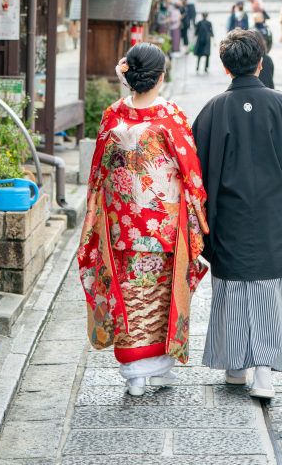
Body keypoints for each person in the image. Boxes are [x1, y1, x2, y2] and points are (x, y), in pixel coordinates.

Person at [78, 43, 208, 396]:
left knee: (130, 294)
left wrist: (98, 214)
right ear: (161, 77)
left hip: (122, 226)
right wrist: (198, 214)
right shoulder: (171, 116)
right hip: (163, 227)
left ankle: (135, 372)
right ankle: (160, 365)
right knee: (163, 296)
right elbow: (192, 172)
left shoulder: (112, 115)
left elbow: (97, 174)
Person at [192, 29, 282, 399]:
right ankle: (264, 375)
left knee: (232, 286)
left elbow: (196, 167)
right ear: (261, 63)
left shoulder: (212, 109)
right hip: (274, 210)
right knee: (270, 289)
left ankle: (235, 367)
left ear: (226, 67)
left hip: (229, 213)